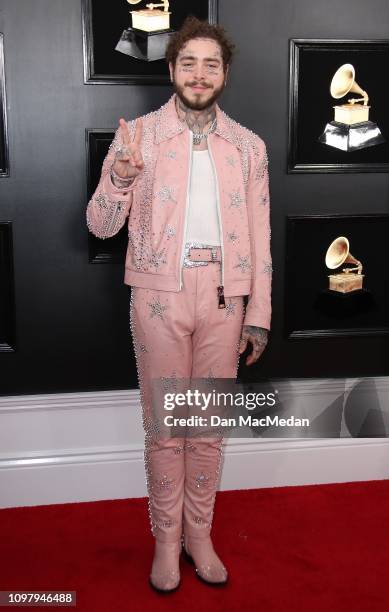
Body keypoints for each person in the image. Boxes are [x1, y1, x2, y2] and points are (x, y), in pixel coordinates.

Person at [86, 15, 272, 593]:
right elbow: (98, 225)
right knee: (168, 428)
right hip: (159, 298)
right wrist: (119, 178)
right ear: (170, 70)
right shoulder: (136, 136)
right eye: (187, 62)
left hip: (225, 299)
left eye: (210, 64)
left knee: (207, 428)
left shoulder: (248, 147)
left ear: (224, 74)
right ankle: (166, 542)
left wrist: (259, 315)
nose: (199, 73)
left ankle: (199, 536)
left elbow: (262, 236)